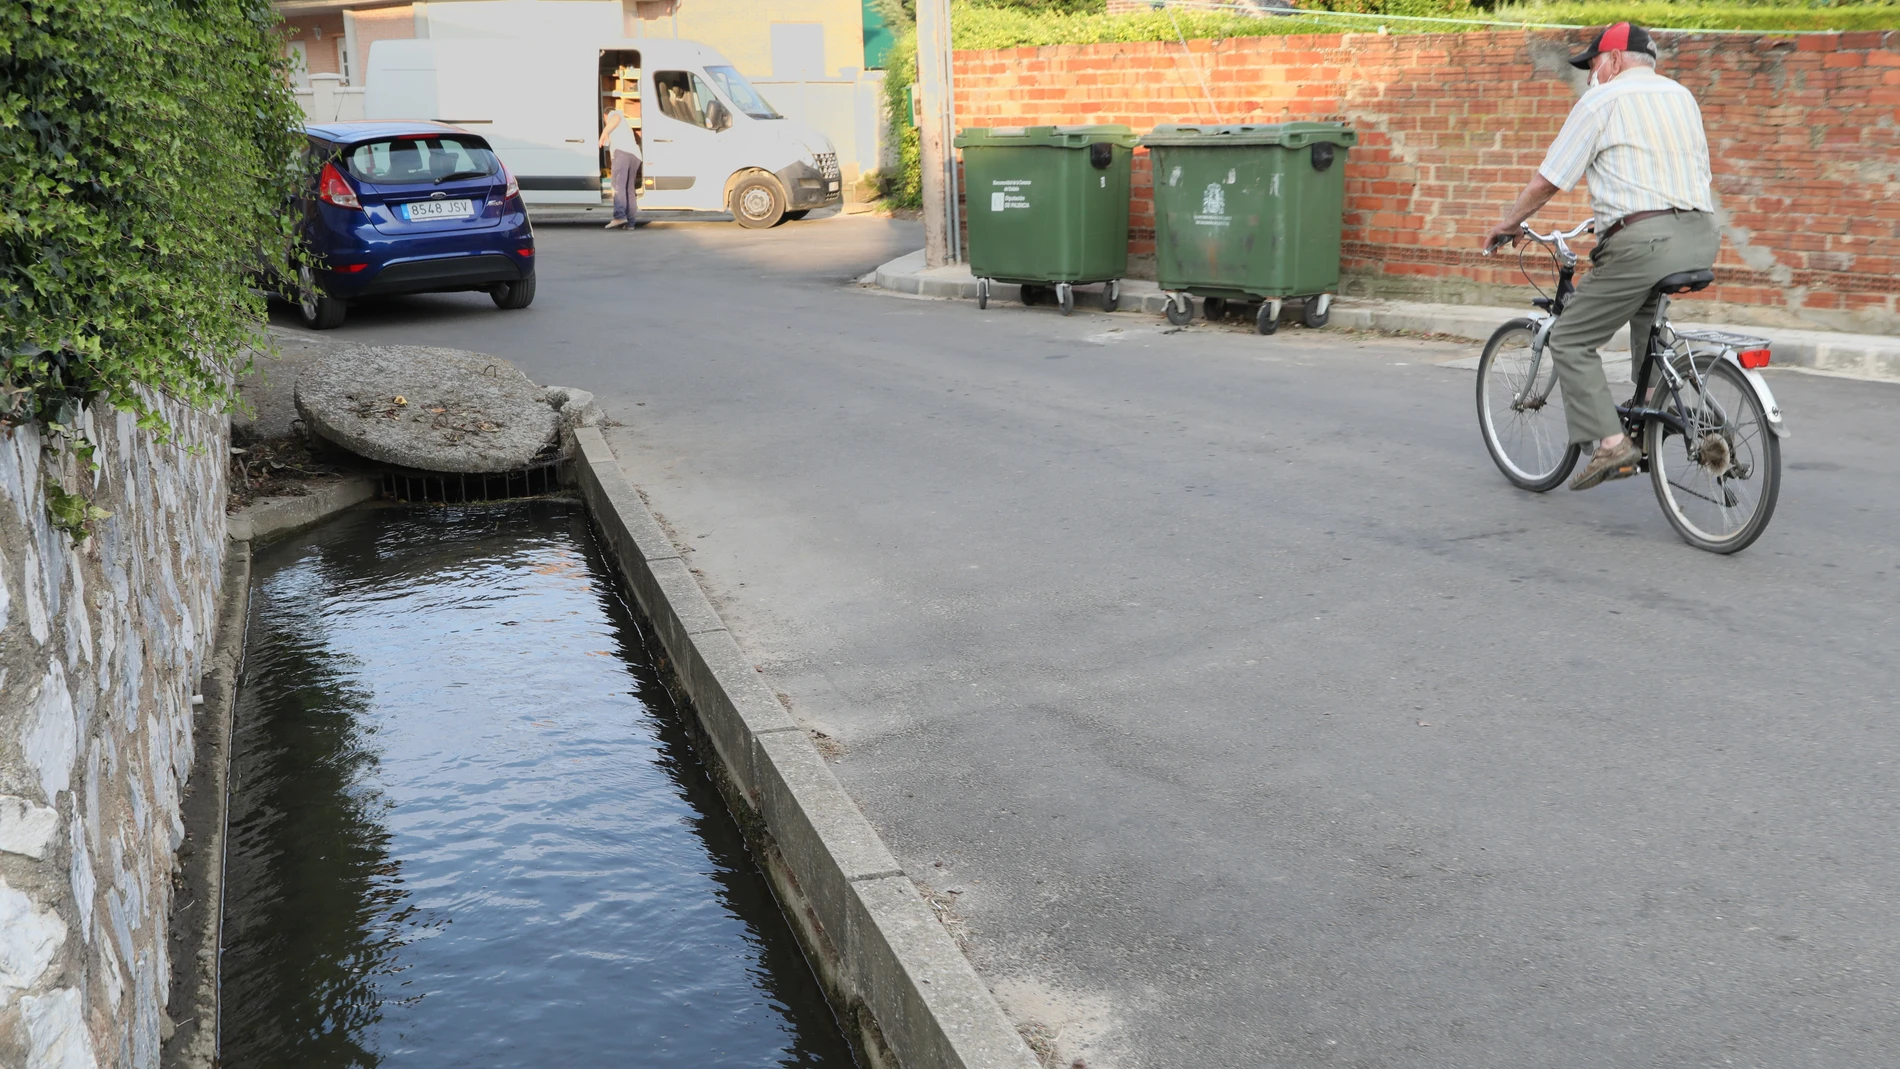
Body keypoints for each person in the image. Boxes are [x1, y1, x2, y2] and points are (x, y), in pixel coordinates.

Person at [1483, 23, 1717, 491]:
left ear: (1612, 60)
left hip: (1643, 244)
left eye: (1591, 64)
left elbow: (1548, 179)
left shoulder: (1602, 100)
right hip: (1700, 234)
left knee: (1570, 338)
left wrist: (1508, 224)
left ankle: (1613, 447)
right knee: (1644, 318)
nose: (1590, 74)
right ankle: (1650, 420)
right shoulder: (1681, 96)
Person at [599, 106, 643, 230]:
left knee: (618, 185)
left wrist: (604, 132)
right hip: (635, 156)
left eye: (604, 120)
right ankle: (630, 223)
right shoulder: (623, 126)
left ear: (605, 116)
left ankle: (619, 216)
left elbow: (616, 117)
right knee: (629, 189)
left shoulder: (614, 114)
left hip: (623, 154)